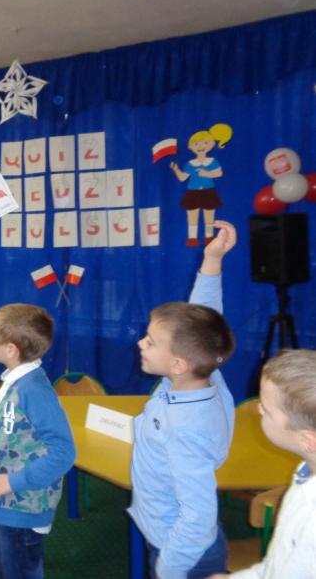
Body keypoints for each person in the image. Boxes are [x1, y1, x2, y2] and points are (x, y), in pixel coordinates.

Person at [129, 221, 238, 579]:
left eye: (150, 341)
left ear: (178, 363)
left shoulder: (186, 430)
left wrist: (169, 569)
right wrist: (212, 260)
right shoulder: (204, 373)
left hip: (179, 552)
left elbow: (198, 517)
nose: (141, 343)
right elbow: (204, 317)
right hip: (168, 534)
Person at [0, 303, 76, 579]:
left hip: (24, 508)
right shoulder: (14, 382)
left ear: (11, 350)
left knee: (17, 571)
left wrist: (13, 482)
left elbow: (64, 452)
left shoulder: (34, 391)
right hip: (3, 504)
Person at [208, 349, 316, 579]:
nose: (258, 409)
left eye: (266, 410)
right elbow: (279, 566)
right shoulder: (306, 473)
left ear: (308, 440)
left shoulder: (311, 515)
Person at [169, 123, 231, 247]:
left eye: (205, 143)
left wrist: (206, 173)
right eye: (196, 144)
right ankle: (192, 238)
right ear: (191, 147)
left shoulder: (212, 161)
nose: (201, 146)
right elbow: (182, 178)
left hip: (208, 191)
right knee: (192, 216)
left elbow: (219, 173)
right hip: (193, 192)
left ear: (211, 145)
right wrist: (176, 170)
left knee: (209, 217)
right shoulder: (191, 163)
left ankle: (209, 238)